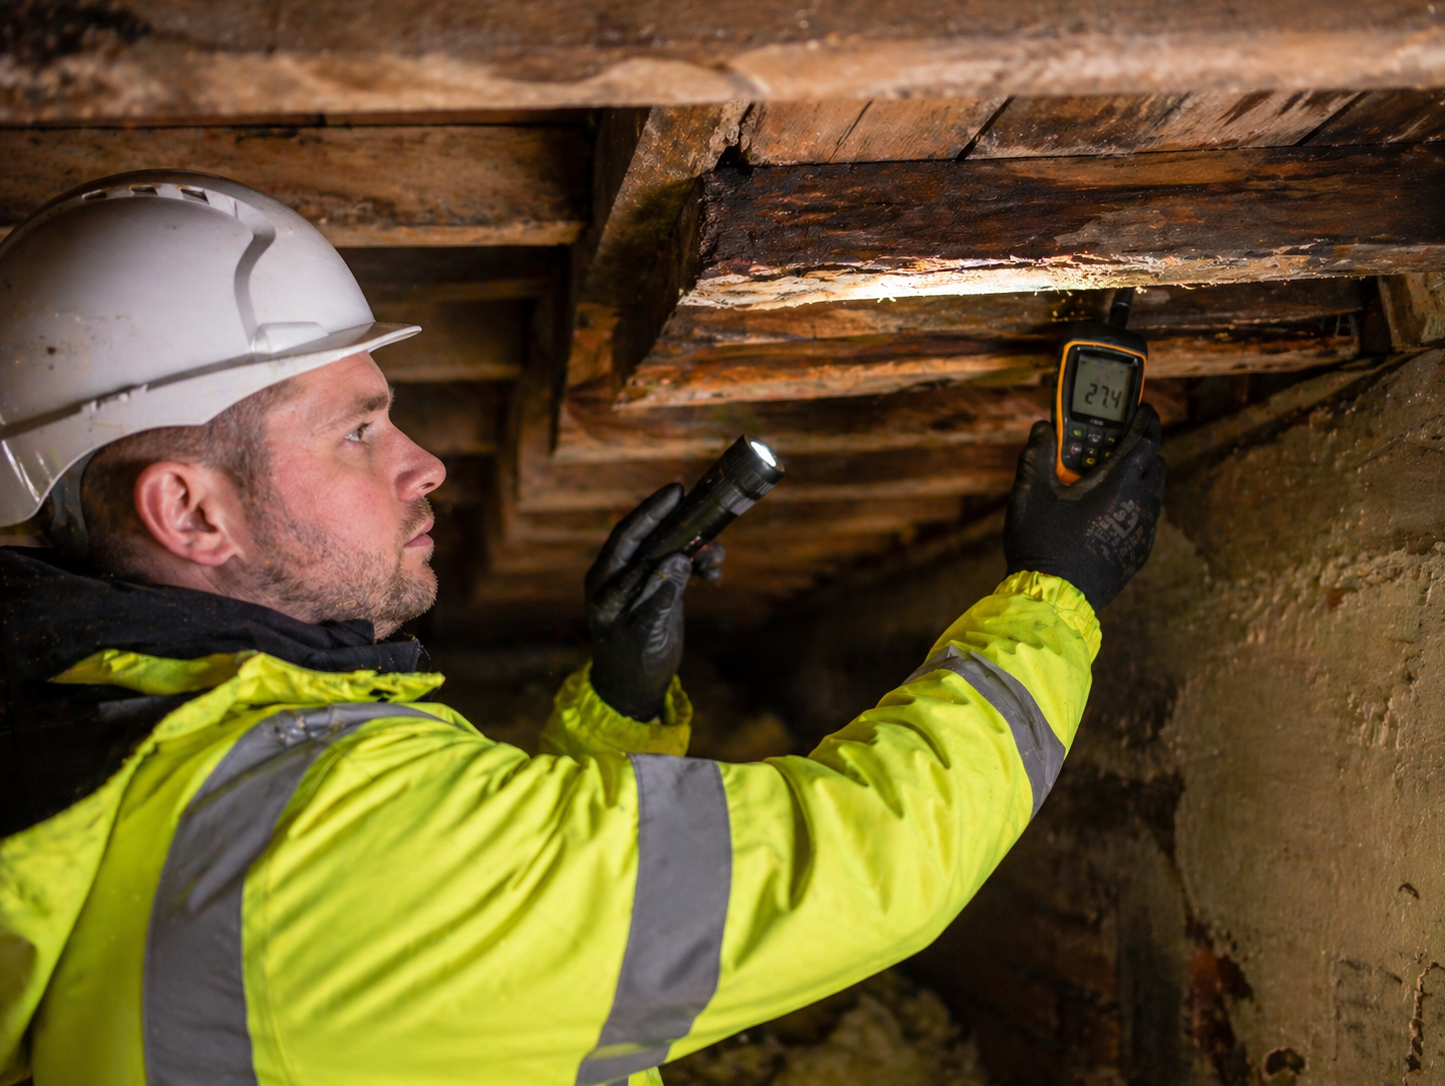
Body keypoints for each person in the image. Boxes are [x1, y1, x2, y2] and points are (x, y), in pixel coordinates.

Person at [0, 171, 1165, 1086]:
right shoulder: (319, 841)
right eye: (356, 432)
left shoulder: (130, 760)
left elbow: (494, 955)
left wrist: (615, 701)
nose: (425, 464)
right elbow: (863, 859)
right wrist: (1053, 593)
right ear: (190, 509)